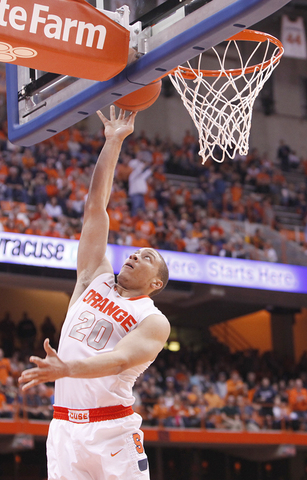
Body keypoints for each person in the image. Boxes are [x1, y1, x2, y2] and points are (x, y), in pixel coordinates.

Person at [19, 107, 171, 480]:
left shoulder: (153, 321)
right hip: (64, 428)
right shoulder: (94, 277)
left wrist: (67, 369)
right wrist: (113, 141)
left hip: (112, 431)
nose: (136, 253)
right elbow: (94, 209)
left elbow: (119, 361)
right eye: (136, 250)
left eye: (147, 256)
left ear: (157, 283)